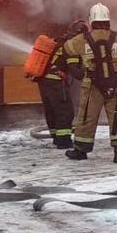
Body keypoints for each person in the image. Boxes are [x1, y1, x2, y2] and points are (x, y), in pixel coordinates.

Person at [62, 4, 117, 163]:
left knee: (87, 116)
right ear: (108, 20)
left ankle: (81, 150)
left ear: (91, 21)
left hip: (91, 85)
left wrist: (74, 35)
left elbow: (67, 49)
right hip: (115, 85)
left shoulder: (82, 39)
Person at [34, 21, 85, 149]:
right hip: (56, 81)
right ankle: (64, 141)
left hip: (43, 80)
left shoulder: (60, 40)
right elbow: (76, 72)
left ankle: (56, 137)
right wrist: (89, 72)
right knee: (65, 111)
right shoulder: (72, 46)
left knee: (52, 110)